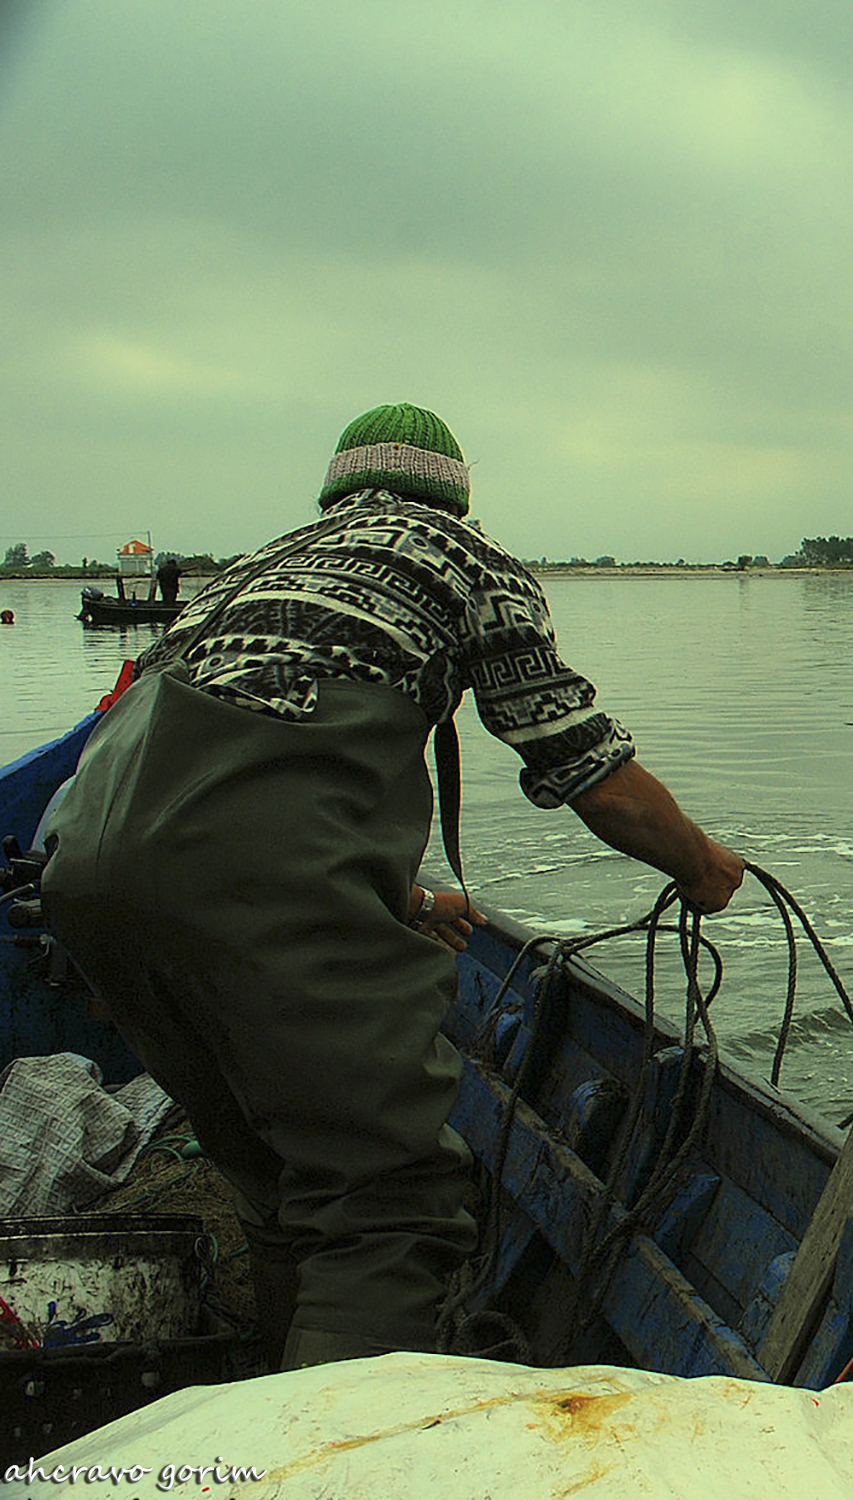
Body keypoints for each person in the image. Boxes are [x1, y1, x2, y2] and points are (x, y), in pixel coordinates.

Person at [40, 403, 746, 1369]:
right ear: (456, 496)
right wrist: (702, 868)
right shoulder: (465, 561)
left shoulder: (246, 572)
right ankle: (335, 1442)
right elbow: (588, 770)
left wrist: (408, 902)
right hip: (245, 878)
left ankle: (272, 1395)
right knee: (389, 1208)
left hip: (84, 874)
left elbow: (184, 805)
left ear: (335, 491)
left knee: (274, 1177)